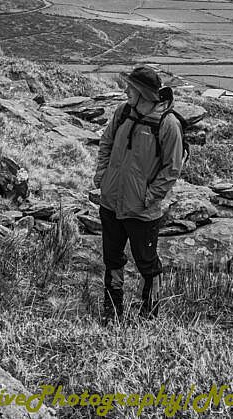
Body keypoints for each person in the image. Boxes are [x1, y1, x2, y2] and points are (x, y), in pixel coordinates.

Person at [93, 65, 184, 324]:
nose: (125, 90)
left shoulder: (168, 124)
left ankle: (150, 313)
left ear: (143, 92)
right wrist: (102, 176)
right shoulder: (123, 112)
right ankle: (113, 310)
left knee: (147, 264)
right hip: (111, 201)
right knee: (112, 258)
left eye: (130, 87)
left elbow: (172, 167)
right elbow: (106, 142)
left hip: (142, 210)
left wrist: (150, 197)